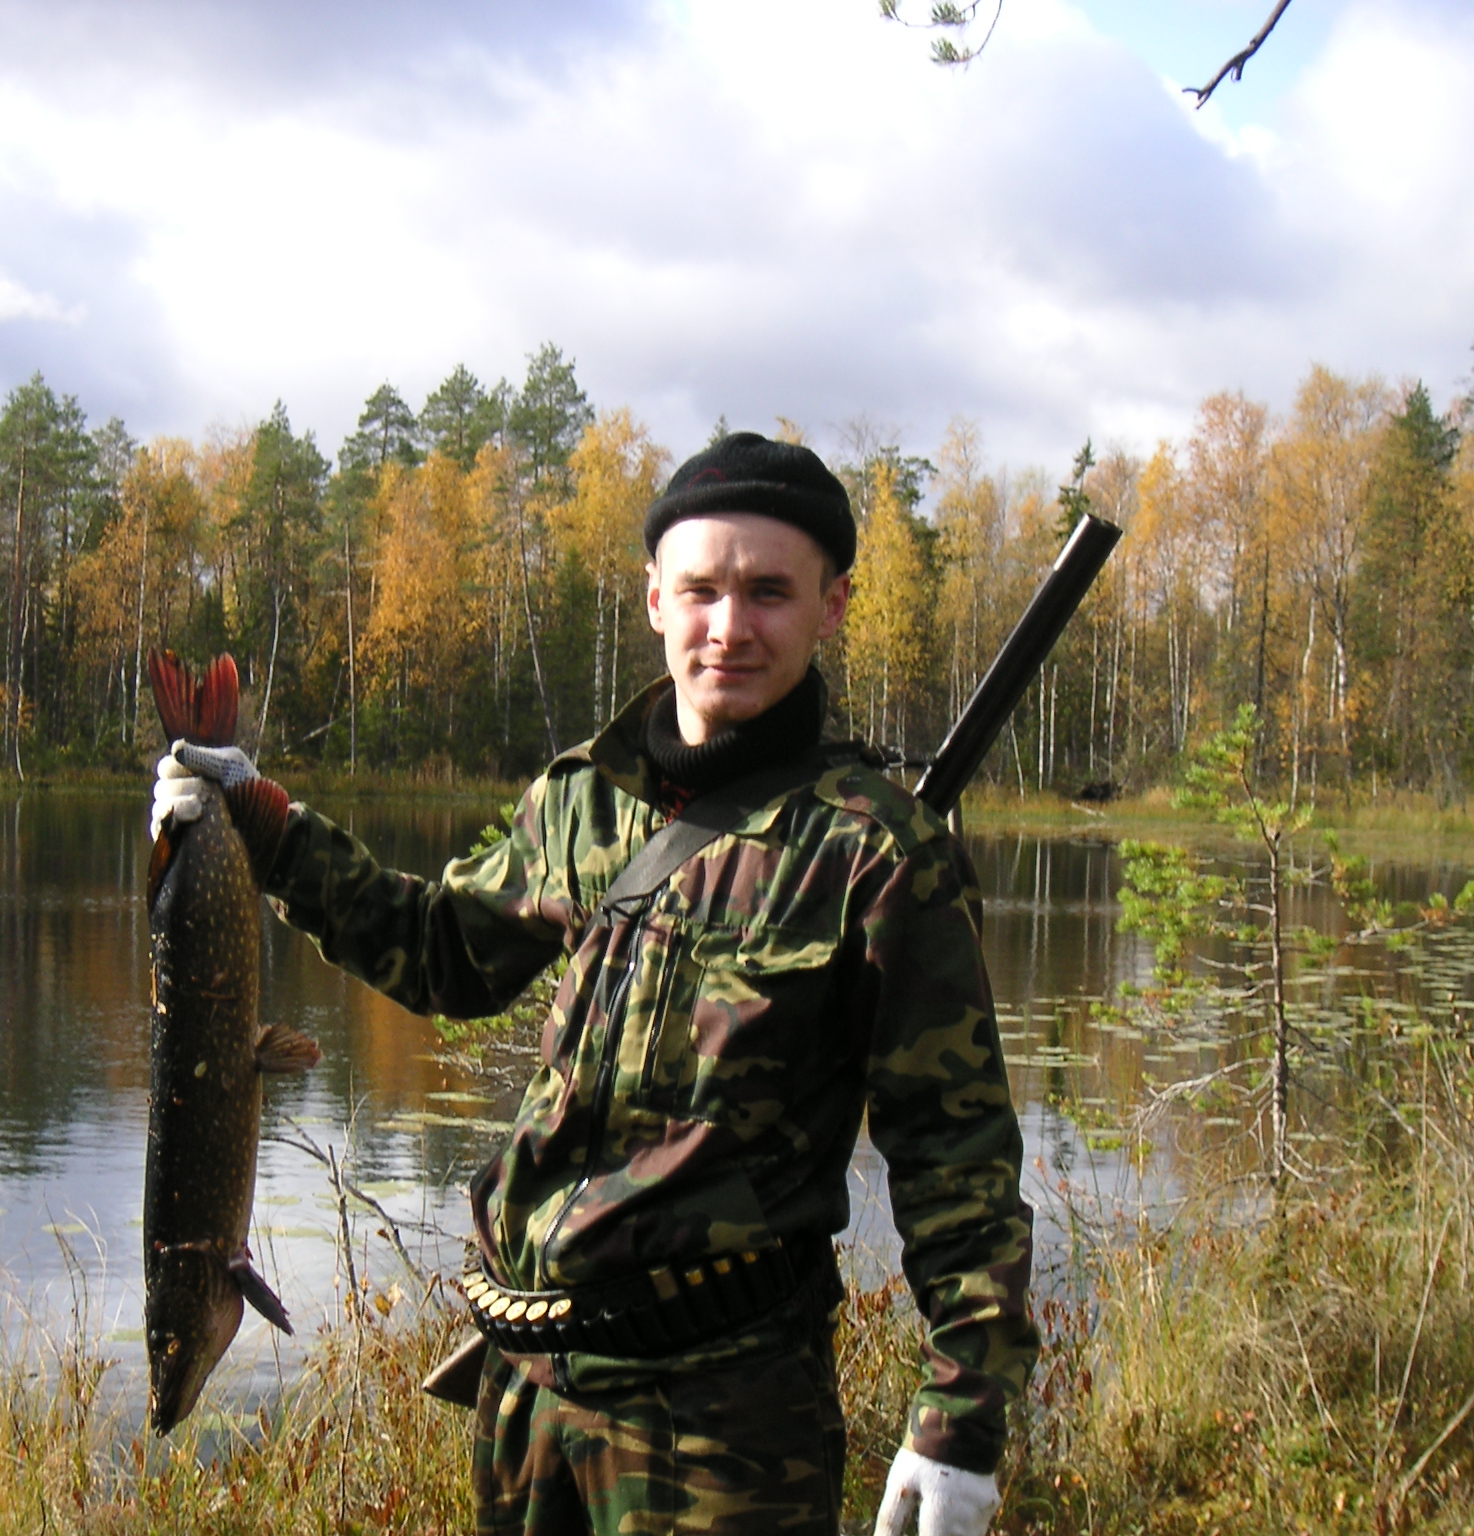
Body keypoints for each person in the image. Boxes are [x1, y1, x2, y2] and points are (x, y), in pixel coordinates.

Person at [153, 432, 1039, 1536]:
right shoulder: (587, 802)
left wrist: (961, 1418)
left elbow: (957, 1160)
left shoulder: (877, 853)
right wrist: (264, 829)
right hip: (524, 1397)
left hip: (723, 1422)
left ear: (832, 605)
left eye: (769, 592)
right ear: (655, 598)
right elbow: (442, 952)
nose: (730, 626)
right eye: (702, 589)